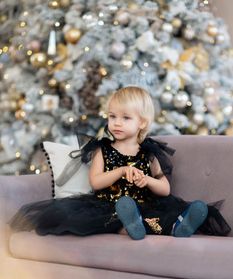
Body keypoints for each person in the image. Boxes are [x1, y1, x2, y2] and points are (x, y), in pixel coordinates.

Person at [9, 86, 231, 240]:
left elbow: (165, 189)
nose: (116, 123)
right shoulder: (103, 149)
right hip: (109, 205)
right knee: (115, 216)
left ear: (142, 123)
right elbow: (96, 182)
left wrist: (148, 181)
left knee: (158, 214)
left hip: (147, 204)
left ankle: (176, 226)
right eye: (112, 116)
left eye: (126, 118)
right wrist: (121, 171)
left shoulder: (148, 152)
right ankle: (130, 226)